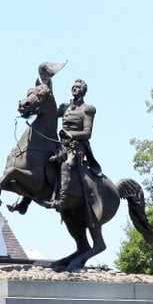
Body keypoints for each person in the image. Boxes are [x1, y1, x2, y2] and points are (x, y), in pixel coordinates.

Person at [49, 79, 102, 212]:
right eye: (73, 86)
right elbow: (49, 114)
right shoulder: (64, 107)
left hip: (77, 145)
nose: (74, 88)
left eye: (78, 87)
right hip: (61, 145)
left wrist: (70, 134)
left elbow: (87, 133)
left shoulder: (88, 109)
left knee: (67, 164)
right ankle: (24, 201)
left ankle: (61, 199)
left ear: (83, 91)